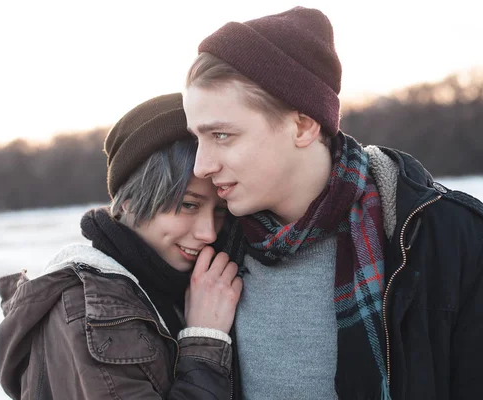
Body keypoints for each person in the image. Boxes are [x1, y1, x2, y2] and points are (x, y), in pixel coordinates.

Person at [182, 6, 483, 400]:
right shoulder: (207, 249)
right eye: (197, 139)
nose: (202, 166)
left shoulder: (448, 238)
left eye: (221, 135)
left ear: (303, 125)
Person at [0, 93, 243, 399]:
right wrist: (205, 340)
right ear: (128, 201)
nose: (208, 232)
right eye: (189, 205)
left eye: (220, 210)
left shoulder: (169, 284)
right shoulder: (90, 312)